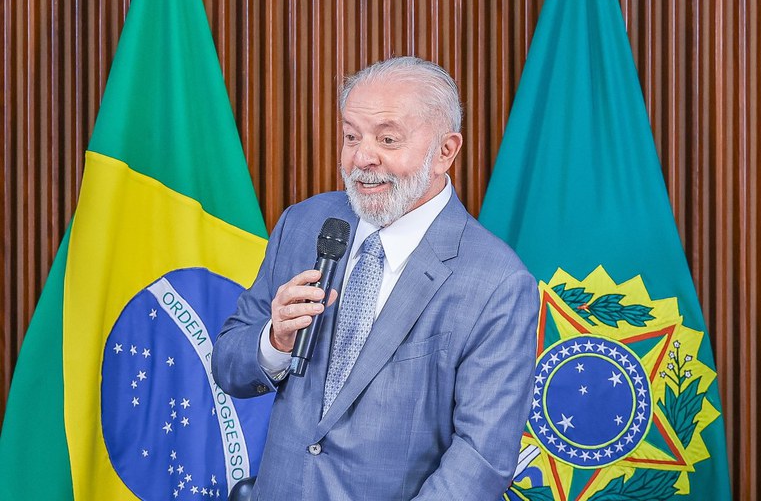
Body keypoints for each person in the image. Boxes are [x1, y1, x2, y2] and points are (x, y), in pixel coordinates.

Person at [212, 56, 538, 500]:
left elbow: (481, 458)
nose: (362, 157)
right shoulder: (305, 225)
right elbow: (228, 363)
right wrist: (275, 342)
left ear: (446, 151)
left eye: (387, 139)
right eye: (351, 136)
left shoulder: (497, 282)